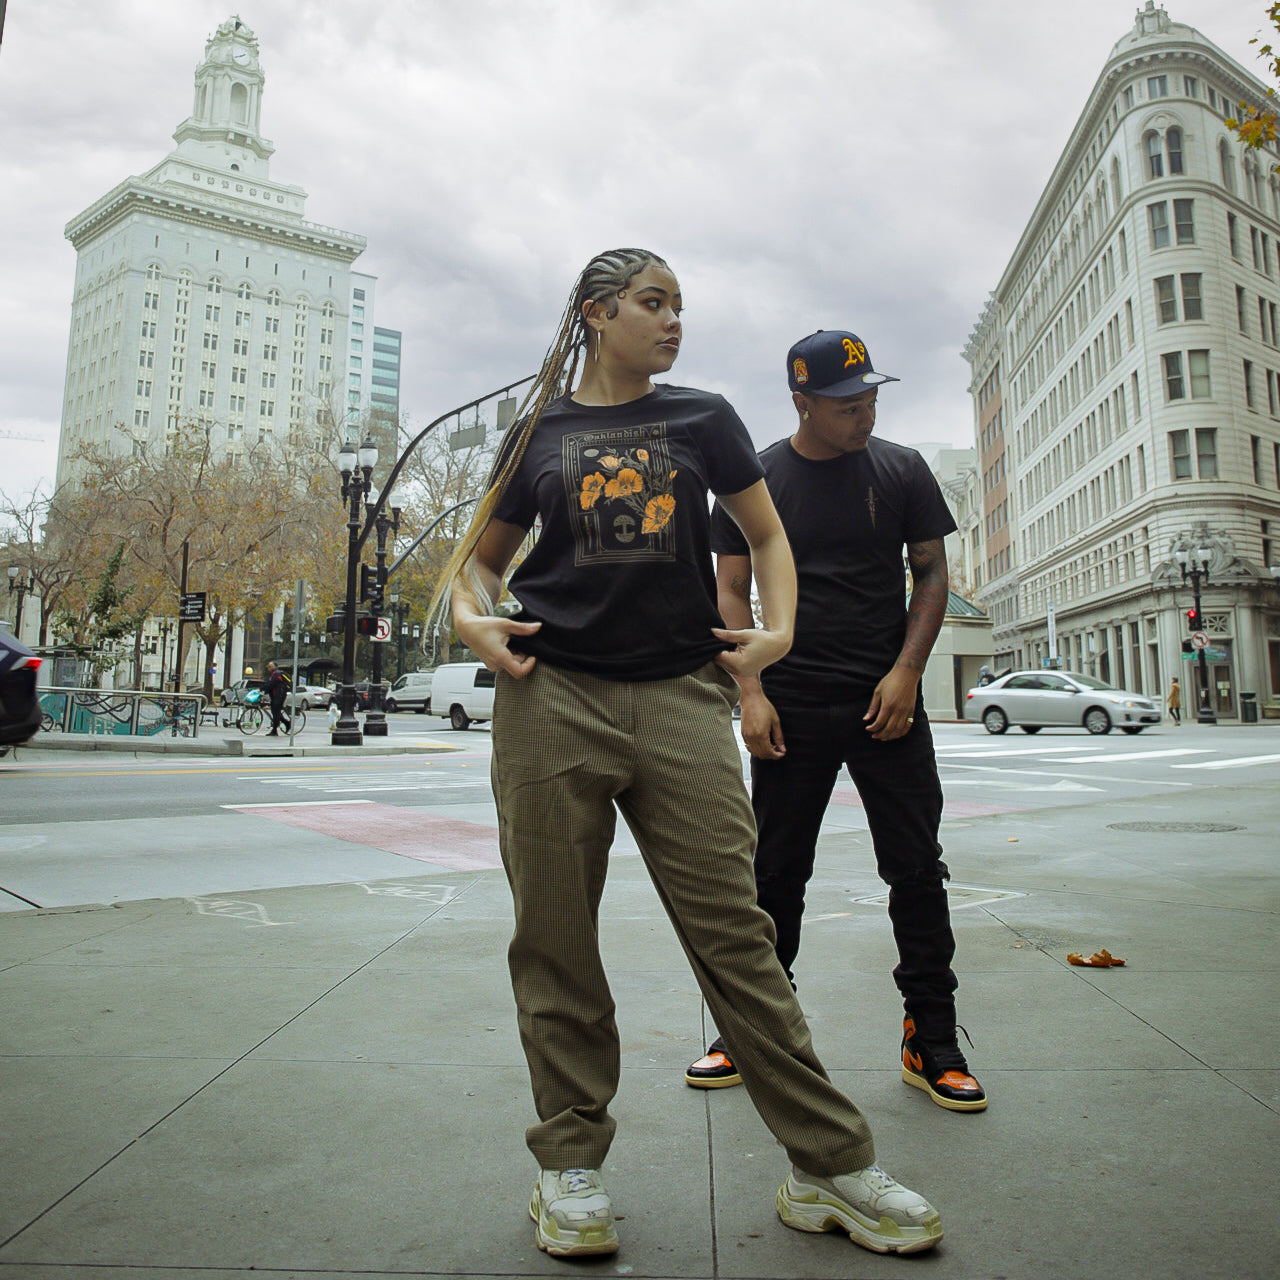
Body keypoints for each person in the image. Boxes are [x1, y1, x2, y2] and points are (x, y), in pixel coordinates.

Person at [435, 252, 942, 1260]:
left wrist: (776, 632)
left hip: (678, 696)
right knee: (555, 939)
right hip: (549, 697)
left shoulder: (703, 418)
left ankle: (828, 1163)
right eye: (652, 304)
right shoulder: (538, 432)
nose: (673, 320)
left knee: (738, 935)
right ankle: (568, 1165)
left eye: (678, 305)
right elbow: (479, 562)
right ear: (596, 314)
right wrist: (472, 622)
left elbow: (764, 534)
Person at [685, 329, 986, 1117]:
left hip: (887, 703)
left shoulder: (901, 468)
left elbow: (930, 572)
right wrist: (750, 689)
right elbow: (730, 590)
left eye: (872, 397)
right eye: (849, 402)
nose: (866, 412)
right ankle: (752, 1035)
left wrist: (908, 673)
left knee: (917, 871)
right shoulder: (759, 480)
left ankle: (933, 1038)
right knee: (774, 876)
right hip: (793, 703)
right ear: (802, 402)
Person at [264, 661, 289, 736]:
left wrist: (263, 690)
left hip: (279, 696)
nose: (269, 668)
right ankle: (287, 723)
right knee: (275, 713)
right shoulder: (273, 674)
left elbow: (271, 684)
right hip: (275, 696)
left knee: (276, 713)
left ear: (275, 667)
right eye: (268, 666)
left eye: (270, 666)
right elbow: (269, 684)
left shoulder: (277, 674)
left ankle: (275, 730)